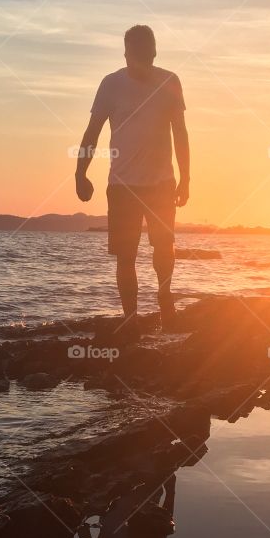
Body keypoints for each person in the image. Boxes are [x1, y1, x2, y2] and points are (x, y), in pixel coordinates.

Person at [74, 25, 189, 330]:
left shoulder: (170, 81)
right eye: (135, 55)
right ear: (126, 54)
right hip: (122, 186)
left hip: (162, 184)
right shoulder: (111, 84)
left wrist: (186, 178)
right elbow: (92, 132)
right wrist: (80, 173)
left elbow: (180, 133)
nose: (140, 62)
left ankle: (166, 303)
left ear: (154, 53)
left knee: (164, 247)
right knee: (126, 256)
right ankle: (130, 319)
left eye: (146, 55)